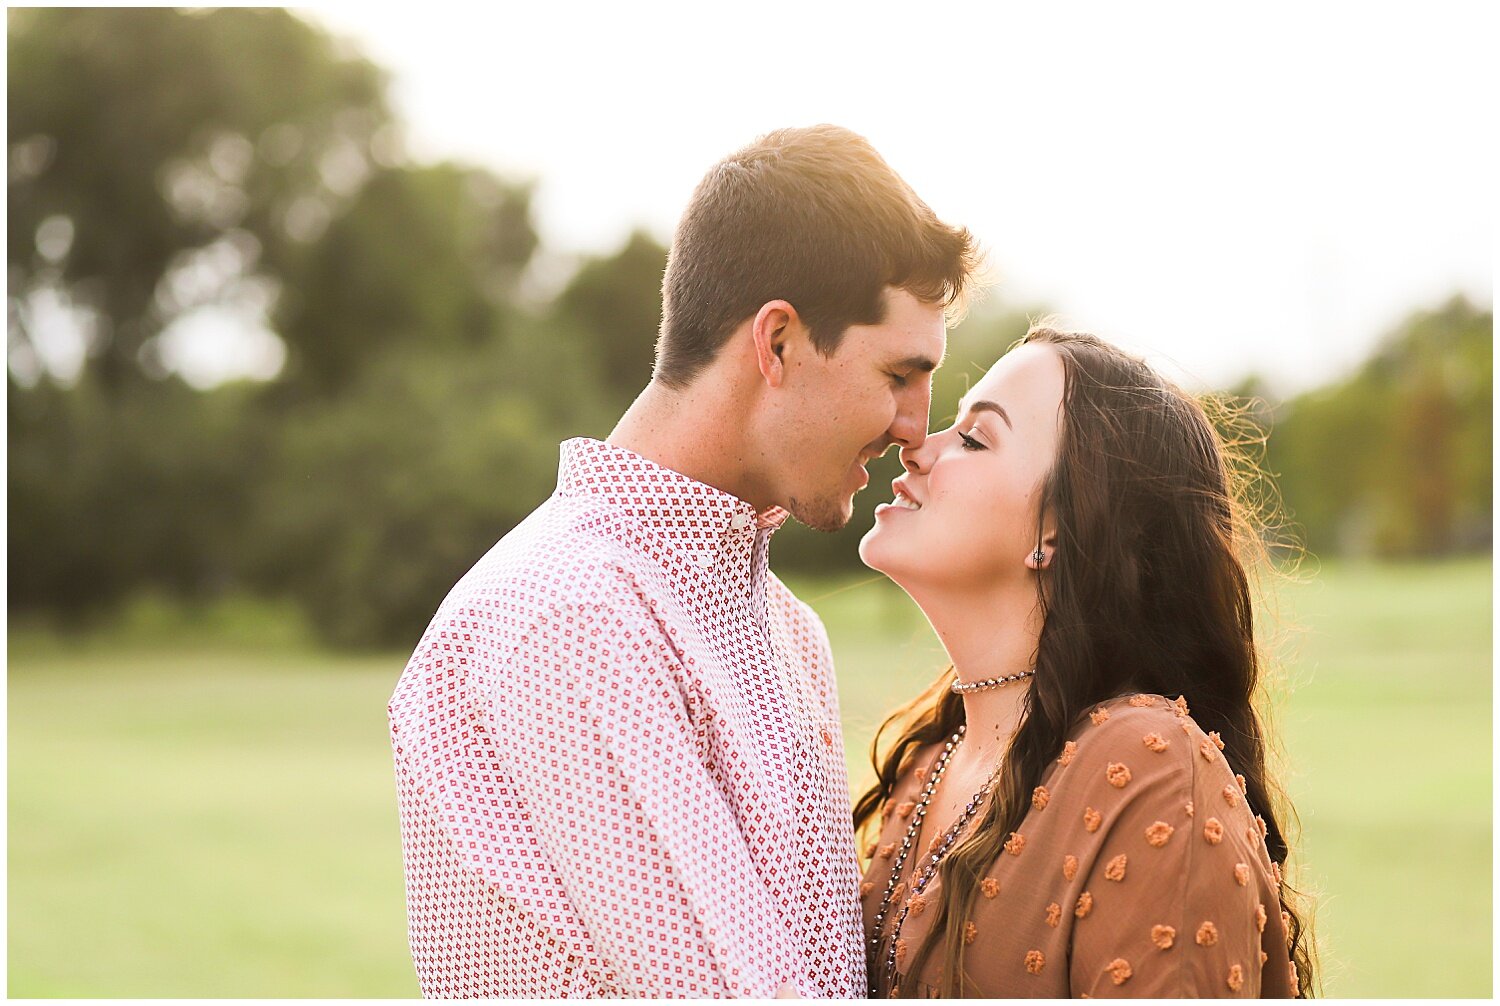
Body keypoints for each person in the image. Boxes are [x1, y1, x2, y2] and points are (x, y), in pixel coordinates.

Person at [388, 124, 980, 997]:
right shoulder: (570, 615)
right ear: (776, 342)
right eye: (899, 374)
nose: (913, 426)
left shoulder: (787, 628)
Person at [854, 327, 1317, 997]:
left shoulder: (1153, 771)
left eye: (976, 438)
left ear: (1058, 529)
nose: (917, 447)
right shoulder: (928, 760)